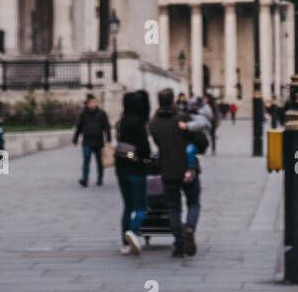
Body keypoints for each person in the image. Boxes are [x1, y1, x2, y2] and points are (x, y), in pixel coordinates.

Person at [150, 88, 209, 257]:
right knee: (193, 202)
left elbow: (157, 142)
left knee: (173, 208)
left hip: (167, 169)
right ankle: (190, 227)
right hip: (188, 169)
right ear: (173, 101)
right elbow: (200, 139)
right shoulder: (183, 118)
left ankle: (178, 243)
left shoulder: (154, 123)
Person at [114, 92, 154, 255]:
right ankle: (133, 230)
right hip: (136, 169)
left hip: (121, 169)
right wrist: (147, 158)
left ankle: (125, 244)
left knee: (127, 207)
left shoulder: (122, 122)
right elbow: (144, 149)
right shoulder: (138, 123)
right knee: (141, 207)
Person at [73, 94, 111, 187]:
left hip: (98, 141)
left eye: (94, 102)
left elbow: (107, 127)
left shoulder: (102, 114)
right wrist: (75, 139)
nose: (93, 104)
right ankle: (85, 179)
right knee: (86, 160)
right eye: (91, 102)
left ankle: (100, 179)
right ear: (88, 103)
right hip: (87, 141)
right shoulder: (83, 114)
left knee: (99, 161)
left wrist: (108, 139)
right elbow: (79, 126)